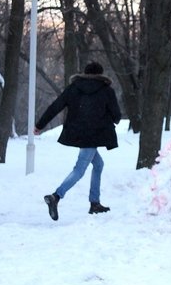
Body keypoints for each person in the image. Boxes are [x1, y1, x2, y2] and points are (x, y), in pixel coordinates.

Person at [35, 61, 122, 220]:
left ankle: (95, 203)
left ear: (85, 73)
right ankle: (56, 196)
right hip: (94, 135)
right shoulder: (106, 90)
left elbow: (56, 106)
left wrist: (40, 125)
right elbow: (116, 115)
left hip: (79, 133)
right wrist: (110, 118)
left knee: (98, 165)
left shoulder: (74, 88)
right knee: (80, 169)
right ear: (100, 74)